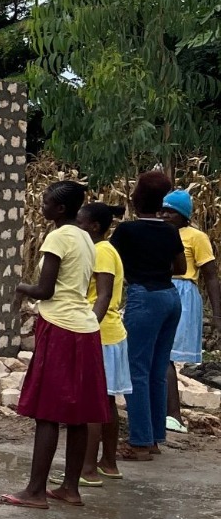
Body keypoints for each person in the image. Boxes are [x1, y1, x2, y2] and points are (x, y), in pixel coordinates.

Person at [0, 182, 107, 509]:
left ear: (60, 209)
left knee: (47, 413)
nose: (41, 206)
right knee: (78, 414)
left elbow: (45, 290)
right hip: (86, 329)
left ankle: (35, 491)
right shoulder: (86, 237)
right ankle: (70, 488)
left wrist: (20, 288)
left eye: (45, 203)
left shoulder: (58, 237)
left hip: (59, 328)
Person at [110, 170, 185, 460]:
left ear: (136, 198)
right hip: (170, 297)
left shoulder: (127, 231)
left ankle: (139, 442)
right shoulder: (170, 231)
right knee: (157, 369)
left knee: (136, 370)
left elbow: (109, 262)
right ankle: (153, 437)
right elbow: (180, 267)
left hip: (144, 297)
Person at [79, 202, 129, 481]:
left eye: (81, 223)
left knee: (91, 403)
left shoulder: (100, 252)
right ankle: (108, 463)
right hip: (109, 333)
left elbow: (104, 295)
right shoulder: (106, 250)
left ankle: (86, 469)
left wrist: (89, 327)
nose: (77, 228)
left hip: (101, 332)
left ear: (95, 226)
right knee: (106, 400)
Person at [163, 188, 218, 432]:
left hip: (182, 292)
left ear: (184, 216)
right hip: (160, 289)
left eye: (171, 212)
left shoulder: (196, 237)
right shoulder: (159, 232)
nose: (165, 215)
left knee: (166, 355)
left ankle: (173, 415)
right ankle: (165, 411)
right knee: (160, 355)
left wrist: (217, 314)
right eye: (162, 210)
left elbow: (211, 276)